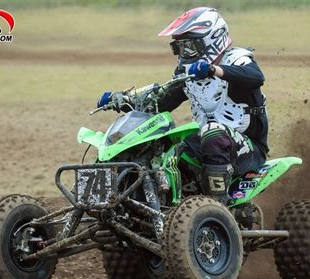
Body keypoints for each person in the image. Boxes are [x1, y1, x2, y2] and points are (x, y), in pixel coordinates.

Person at [97, 7, 268, 203]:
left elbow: (256, 77)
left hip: (248, 148)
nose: (184, 52)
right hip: (207, 141)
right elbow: (161, 104)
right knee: (161, 147)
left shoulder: (237, 59)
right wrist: (125, 101)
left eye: (189, 46)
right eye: (179, 47)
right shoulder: (189, 72)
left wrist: (215, 70)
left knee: (213, 132)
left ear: (212, 39)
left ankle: (216, 206)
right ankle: (146, 204)